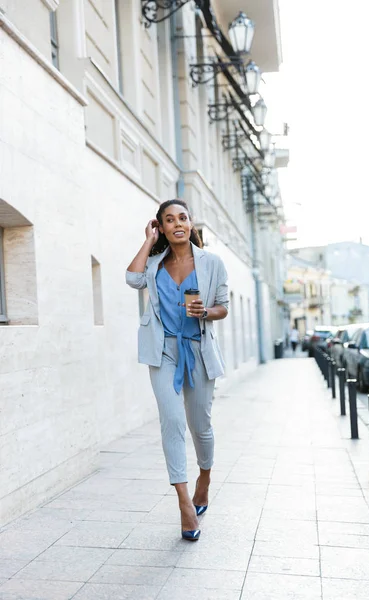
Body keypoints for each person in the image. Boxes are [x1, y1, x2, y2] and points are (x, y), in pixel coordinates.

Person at [126, 199, 229, 541]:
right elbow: (131, 278)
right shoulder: (154, 265)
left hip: (198, 350)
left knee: (201, 427)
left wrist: (205, 313)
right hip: (163, 350)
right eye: (168, 220)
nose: (177, 223)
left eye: (182, 217)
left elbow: (223, 309)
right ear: (162, 227)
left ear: (191, 222)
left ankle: (205, 478)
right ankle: (184, 504)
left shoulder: (212, 263)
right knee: (172, 422)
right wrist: (146, 240)